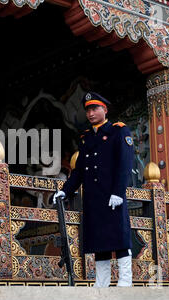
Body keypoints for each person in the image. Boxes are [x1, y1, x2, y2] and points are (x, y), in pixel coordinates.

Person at [53, 92, 134, 287]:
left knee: (119, 237)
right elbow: (79, 170)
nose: (90, 113)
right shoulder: (86, 137)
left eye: (94, 109)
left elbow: (124, 164)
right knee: (100, 242)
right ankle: (102, 282)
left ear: (104, 110)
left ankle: (125, 280)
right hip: (94, 198)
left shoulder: (119, 131)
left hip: (112, 195)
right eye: (88, 110)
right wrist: (66, 190)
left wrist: (118, 192)